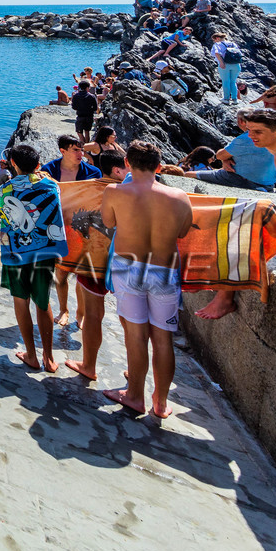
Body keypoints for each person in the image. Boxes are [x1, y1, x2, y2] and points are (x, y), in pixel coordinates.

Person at [100, 142, 193, 418]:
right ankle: (161, 403)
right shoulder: (179, 196)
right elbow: (184, 231)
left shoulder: (114, 191)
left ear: (127, 163)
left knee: (135, 336)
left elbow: (108, 222)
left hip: (127, 267)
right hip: (164, 270)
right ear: (160, 167)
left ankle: (135, 396)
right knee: (163, 340)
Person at [0, 144, 66, 372]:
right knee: (43, 303)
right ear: (38, 165)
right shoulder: (52, 186)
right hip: (45, 251)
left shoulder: (5, 189)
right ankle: (49, 358)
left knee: (20, 300)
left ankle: (31, 355)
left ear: (13, 164)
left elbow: (6, 223)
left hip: (16, 252)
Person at [62, 149, 126, 381]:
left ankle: (89, 366)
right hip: (127, 262)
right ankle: (134, 368)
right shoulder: (132, 192)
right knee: (130, 319)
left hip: (93, 262)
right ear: (117, 170)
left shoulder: (84, 188)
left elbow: (63, 205)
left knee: (93, 314)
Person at [167, 112, 276, 191]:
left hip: (239, 179)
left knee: (189, 175)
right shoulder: (275, 137)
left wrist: (225, 158)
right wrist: (226, 160)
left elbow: (219, 155)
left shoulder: (245, 138)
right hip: (268, 183)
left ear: (242, 121)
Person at [209, 32, 241, 104]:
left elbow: (217, 53)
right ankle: (235, 99)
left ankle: (226, 99)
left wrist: (222, 63)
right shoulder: (233, 44)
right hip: (236, 65)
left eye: (214, 40)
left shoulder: (217, 44)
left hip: (225, 65)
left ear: (217, 38)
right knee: (233, 81)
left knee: (226, 81)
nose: (214, 41)